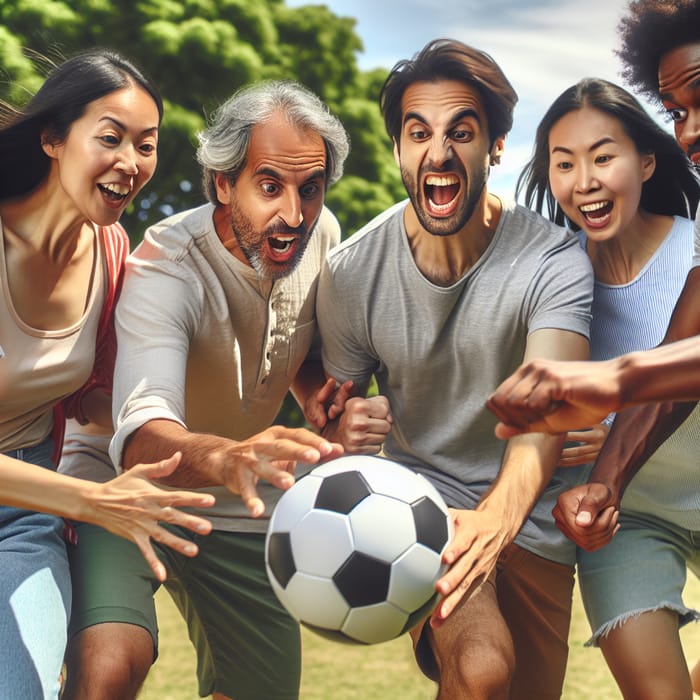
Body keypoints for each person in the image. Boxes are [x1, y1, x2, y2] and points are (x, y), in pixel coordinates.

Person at [316, 38, 594, 699]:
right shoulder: (353, 273)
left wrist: (498, 520)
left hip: (528, 511)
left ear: (495, 147)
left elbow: (546, 416)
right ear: (398, 150)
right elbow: (333, 424)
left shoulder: (554, 263)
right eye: (418, 133)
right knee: (480, 666)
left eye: (461, 132)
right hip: (421, 500)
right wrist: (345, 431)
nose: (438, 153)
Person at [63, 80, 349, 700]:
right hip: (127, 490)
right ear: (223, 183)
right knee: (110, 667)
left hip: (243, 503)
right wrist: (227, 456)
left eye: (311, 188)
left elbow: (296, 341)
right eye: (269, 186)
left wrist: (318, 394)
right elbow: (140, 436)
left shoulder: (320, 235)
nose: (294, 214)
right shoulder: (167, 267)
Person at [0, 49, 217, 700]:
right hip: (60, 495)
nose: (132, 163)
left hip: (23, 517)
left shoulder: (113, 253)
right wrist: (94, 501)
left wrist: (191, 436)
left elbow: (98, 397)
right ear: (52, 138)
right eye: (112, 138)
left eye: (146, 146)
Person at [511, 75, 700, 698]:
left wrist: (609, 406)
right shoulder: (551, 281)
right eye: (563, 164)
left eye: (602, 156)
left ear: (646, 162)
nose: (583, 180)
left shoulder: (695, 245)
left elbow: (678, 371)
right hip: (626, 519)